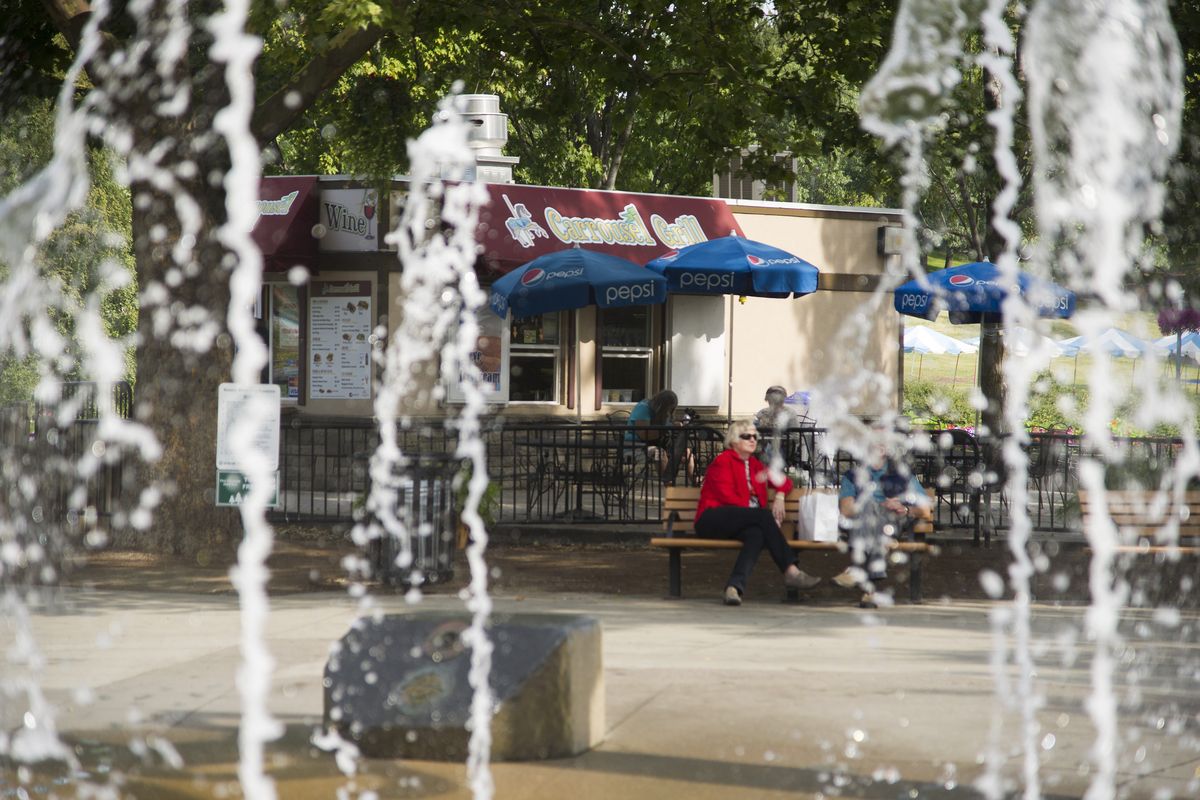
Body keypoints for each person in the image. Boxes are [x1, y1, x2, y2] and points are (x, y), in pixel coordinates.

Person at [694, 419, 822, 605]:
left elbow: (785, 482)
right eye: (746, 436)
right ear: (733, 440)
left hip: (742, 522)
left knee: (757, 534)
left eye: (755, 436)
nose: (752, 440)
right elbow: (727, 498)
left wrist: (779, 496)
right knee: (762, 516)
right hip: (712, 518)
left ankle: (734, 587)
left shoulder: (755, 466)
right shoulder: (722, 462)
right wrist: (757, 515)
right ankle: (791, 571)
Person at [834, 433, 931, 609]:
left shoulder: (902, 475)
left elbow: (925, 510)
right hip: (867, 525)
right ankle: (870, 592)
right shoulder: (853, 476)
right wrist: (877, 504)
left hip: (892, 521)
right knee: (869, 508)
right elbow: (846, 510)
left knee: (875, 514)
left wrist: (905, 508)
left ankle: (856, 569)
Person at [625, 389, 690, 482]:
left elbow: (666, 426)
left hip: (658, 444)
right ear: (661, 405)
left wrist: (674, 425)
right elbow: (644, 435)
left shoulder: (663, 413)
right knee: (659, 453)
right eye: (668, 409)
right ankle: (668, 485)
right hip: (636, 446)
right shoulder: (643, 408)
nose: (670, 412)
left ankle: (696, 483)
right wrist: (667, 428)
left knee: (687, 452)